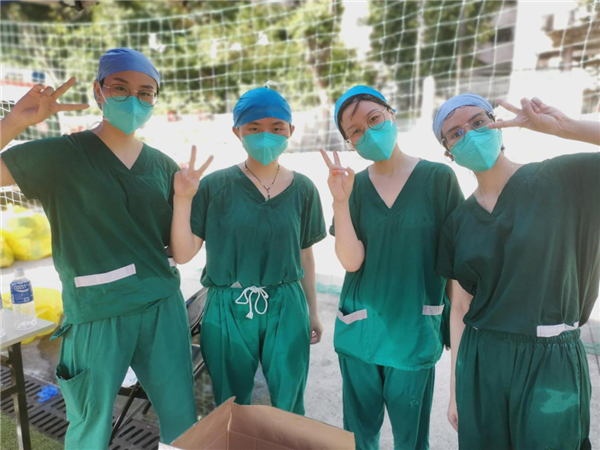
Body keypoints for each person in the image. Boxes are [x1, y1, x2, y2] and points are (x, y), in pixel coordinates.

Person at [0, 48, 197, 449]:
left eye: (145, 92)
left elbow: (180, 251)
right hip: (96, 313)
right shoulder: (61, 155)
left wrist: (185, 200)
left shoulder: (162, 166)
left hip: (161, 307)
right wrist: (15, 121)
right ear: (98, 91)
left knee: (181, 422)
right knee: (90, 426)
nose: (134, 99)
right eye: (120, 88)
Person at [433, 93, 600, 449]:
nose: (470, 133)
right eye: (456, 133)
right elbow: (460, 308)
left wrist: (565, 127)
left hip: (550, 359)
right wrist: (456, 389)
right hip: (482, 361)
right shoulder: (458, 222)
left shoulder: (561, 179)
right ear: (449, 152)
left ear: (498, 125)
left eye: (479, 122)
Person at [320, 85, 464, 450]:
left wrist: (457, 325)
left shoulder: (438, 179)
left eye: (374, 119)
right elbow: (351, 261)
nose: (368, 132)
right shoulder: (353, 187)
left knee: (411, 441)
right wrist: (340, 202)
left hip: (413, 333)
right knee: (359, 438)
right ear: (349, 142)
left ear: (391, 115)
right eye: (356, 130)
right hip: (360, 332)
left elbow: (455, 264)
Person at [170, 86, 326, 415]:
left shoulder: (303, 189)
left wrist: (312, 311)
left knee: (289, 401)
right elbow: (183, 255)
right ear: (237, 132)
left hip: (287, 304)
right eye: (254, 128)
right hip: (227, 306)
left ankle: (285, 439)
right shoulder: (214, 186)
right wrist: (183, 199)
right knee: (231, 404)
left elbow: (305, 255)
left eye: (276, 127)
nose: (266, 135)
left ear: (290, 130)